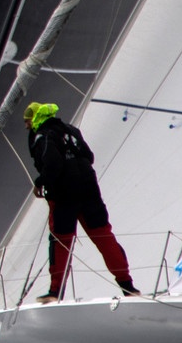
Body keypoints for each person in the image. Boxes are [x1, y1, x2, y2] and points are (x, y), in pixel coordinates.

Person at [24, 102, 139, 302]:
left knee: (61, 241)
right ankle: (128, 287)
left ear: (36, 118)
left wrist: (40, 183)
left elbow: (53, 164)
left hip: (64, 196)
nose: (26, 126)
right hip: (89, 190)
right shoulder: (72, 131)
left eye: (27, 121)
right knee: (104, 236)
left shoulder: (43, 136)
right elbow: (89, 156)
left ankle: (55, 292)